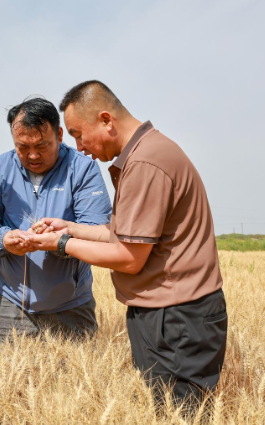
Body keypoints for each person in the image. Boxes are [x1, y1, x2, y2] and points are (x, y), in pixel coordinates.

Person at [27, 81, 227, 406]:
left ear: (106, 120)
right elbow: (126, 233)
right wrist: (71, 228)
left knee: (180, 413)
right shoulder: (149, 152)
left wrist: (61, 244)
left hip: (177, 319)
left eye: (78, 134)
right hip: (170, 313)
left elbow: (128, 257)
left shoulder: (145, 163)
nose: (79, 147)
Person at [0, 97, 111, 343]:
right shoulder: (0, 168)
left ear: (59, 135)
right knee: (4, 369)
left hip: (72, 304)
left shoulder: (83, 169)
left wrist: (58, 242)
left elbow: (96, 231)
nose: (33, 155)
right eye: (23, 147)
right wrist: (4, 239)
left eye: (42, 145)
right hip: (9, 302)